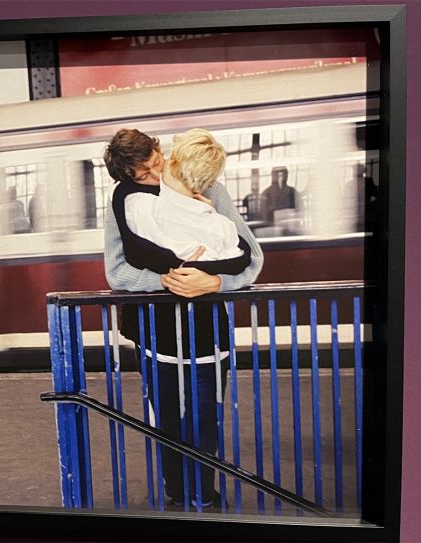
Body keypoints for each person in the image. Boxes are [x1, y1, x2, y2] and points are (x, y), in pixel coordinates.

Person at [103, 129, 263, 510]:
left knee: (206, 416)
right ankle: (178, 493)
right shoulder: (126, 201)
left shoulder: (208, 185)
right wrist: (164, 281)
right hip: (155, 334)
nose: (155, 177)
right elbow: (116, 273)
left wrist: (216, 281)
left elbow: (251, 258)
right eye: (143, 176)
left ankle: (204, 495)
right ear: (128, 178)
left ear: (163, 151)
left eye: (156, 164)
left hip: (209, 330)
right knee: (167, 420)